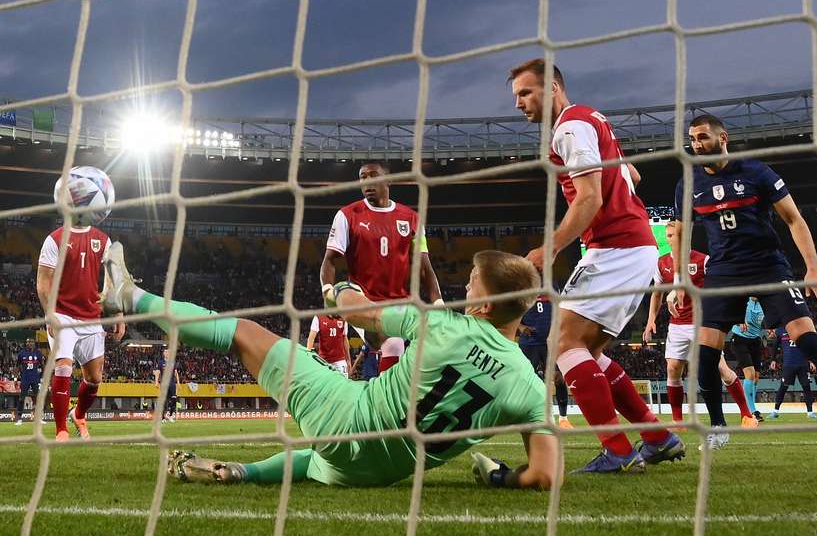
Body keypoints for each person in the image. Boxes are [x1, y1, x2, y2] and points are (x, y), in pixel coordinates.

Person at [100, 243, 560, 489]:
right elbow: (544, 476)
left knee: (241, 332)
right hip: (381, 474)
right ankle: (244, 473)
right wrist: (499, 475)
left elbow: (355, 310)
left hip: (344, 416)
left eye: (471, 285)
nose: (464, 288)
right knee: (317, 459)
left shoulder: (442, 325)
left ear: (483, 304)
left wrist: (336, 285)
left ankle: (128, 297)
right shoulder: (530, 388)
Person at [670, 114, 817, 450]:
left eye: (703, 137)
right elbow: (682, 231)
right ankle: (717, 427)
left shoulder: (756, 172)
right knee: (704, 351)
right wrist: (679, 279)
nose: (697, 145)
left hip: (768, 266)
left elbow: (793, 218)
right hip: (724, 271)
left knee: (809, 341)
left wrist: (813, 269)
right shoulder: (688, 182)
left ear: (722, 137)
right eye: (693, 139)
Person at [509, 58, 684, 473]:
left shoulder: (568, 128)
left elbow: (590, 199)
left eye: (525, 92)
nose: (518, 103)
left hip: (615, 247)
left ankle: (619, 451)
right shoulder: (590, 120)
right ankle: (656, 437)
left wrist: (548, 249)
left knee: (563, 344)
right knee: (586, 351)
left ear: (552, 87)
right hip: (632, 247)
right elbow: (633, 177)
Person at [321, 162, 443, 373]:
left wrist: (439, 303)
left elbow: (424, 268)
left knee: (394, 346)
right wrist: (326, 293)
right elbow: (330, 260)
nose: (367, 181)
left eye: (373, 176)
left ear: (388, 180)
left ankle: (385, 391)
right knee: (391, 339)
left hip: (398, 302)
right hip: (361, 298)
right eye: (362, 177)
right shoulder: (347, 215)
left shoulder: (412, 219)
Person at [643, 223, 756, 430]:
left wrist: (733, 312)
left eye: (674, 235)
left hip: (702, 323)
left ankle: (747, 415)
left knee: (721, 368)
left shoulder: (702, 260)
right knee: (673, 368)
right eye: (668, 235)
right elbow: (657, 293)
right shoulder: (661, 264)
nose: (670, 238)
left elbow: (720, 285)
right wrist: (651, 319)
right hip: (676, 325)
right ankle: (678, 421)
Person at [37, 222, 125, 441]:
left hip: (90, 317)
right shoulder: (55, 239)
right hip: (62, 314)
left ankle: (78, 415)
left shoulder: (103, 240)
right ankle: (61, 431)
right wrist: (50, 314)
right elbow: (43, 281)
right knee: (64, 366)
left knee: (94, 378)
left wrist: (117, 314)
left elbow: (113, 280)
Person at [517, 292, 572, 429]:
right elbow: (510, 310)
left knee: (559, 378)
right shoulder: (523, 284)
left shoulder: (552, 284)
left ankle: (563, 419)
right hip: (529, 342)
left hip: (552, 340)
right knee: (528, 380)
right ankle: (534, 416)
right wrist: (521, 327)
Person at [727, 297, 767, 422]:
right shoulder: (743, 300)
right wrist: (738, 321)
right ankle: (751, 411)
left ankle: (751, 407)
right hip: (740, 340)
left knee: (755, 378)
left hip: (755, 340)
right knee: (749, 375)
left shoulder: (764, 303)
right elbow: (727, 312)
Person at [768, 327, 817, 420]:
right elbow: (775, 345)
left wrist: (811, 361)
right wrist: (773, 360)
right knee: (783, 388)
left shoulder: (802, 327)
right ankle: (775, 411)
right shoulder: (780, 330)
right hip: (788, 365)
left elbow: (809, 346)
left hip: (803, 364)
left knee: (807, 388)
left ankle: (810, 413)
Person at [14, 338, 46, 425]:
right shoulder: (21, 353)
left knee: (38, 398)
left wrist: (44, 378)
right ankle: (19, 418)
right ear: (26, 343)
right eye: (27, 342)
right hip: (25, 378)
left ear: (34, 343)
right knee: (22, 398)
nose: (29, 343)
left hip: (35, 379)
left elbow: (43, 366)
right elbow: (17, 367)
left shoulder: (38, 353)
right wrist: (15, 379)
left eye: (31, 342)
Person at [154, 348, 181, 422]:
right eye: (165, 352)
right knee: (163, 401)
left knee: (174, 399)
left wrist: (178, 382)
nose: (167, 353)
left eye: (168, 352)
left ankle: (171, 416)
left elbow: (175, 373)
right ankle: (162, 418)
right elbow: (157, 372)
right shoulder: (160, 362)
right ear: (164, 354)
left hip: (172, 384)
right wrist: (156, 382)